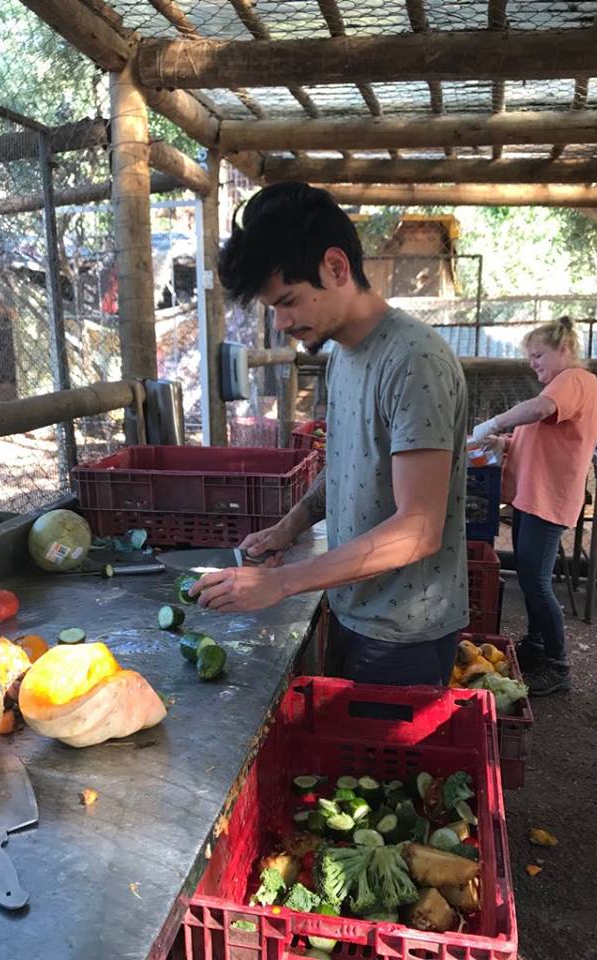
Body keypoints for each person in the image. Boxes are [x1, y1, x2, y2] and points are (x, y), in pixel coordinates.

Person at [189, 182, 470, 686]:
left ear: (336, 267)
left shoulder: (413, 359)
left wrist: (280, 583)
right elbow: (348, 469)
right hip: (350, 603)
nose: (282, 322)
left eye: (289, 301)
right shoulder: (342, 355)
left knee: (386, 762)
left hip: (405, 630)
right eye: (273, 308)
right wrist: (289, 527)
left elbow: (420, 529)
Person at [472, 316, 597, 696]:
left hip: (550, 497)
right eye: (530, 356)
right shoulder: (561, 389)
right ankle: (538, 645)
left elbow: (540, 410)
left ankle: (558, 664)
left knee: (535, 580)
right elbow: (535, 439)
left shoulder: (575, 380)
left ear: (564, 349)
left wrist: (492, 422)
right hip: (534, 495)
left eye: (538, 354)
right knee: (530, 576)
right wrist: (502, 442)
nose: (533, 362)